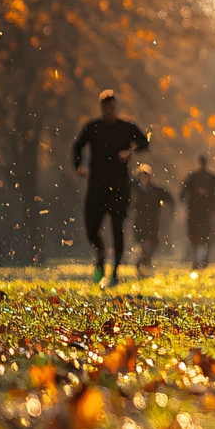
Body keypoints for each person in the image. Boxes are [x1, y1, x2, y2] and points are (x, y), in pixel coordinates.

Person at [72, 90, 149, 286]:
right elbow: (77, 146)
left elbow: (144, 142)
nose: (109, 111)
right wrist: (78, 165)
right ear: (101, 108)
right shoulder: (93, 128)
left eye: (112, 107)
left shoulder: (126, 127)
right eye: (106, 108)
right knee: (91, 228)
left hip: (119, 186)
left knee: (117, 228)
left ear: (116, 108)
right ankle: (100, 253)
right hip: (97, 186)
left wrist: (130, 151)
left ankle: (114, 273)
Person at [181, 154, 215, 270]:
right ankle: (197, 260)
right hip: (197, 212)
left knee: (204, 236)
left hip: (205, 212)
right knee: (197, 237)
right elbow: (184, 194)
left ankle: (203, 260)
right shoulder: (196, 177)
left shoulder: (202, 177)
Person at [131, 165, 175, 276]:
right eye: (142, 175)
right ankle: (143, 263)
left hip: (153, 221)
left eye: (146, 175)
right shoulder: (134, 189)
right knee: (145, 244)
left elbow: (169, 199)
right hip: (140, 221)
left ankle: (144, 262)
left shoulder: (155, 190)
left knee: (153, 244)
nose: (144, 178)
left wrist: (170, 212)